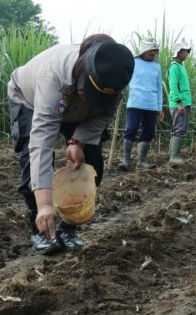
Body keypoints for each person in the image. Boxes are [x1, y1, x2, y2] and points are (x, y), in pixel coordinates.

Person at [8, 34, 134, 254]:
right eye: (91, 94)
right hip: (30, 99)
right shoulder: (54, 74)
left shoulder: (116, 79)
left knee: (91, 164)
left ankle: (68, 227)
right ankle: (41, 228)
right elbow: (42, 143)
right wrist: (46, 204)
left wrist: (78, 140)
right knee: (32, 165)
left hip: (81, 113)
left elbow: (103, 116)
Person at [120, 35, 165, 170]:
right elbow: (124, 80)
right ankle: (126, 160)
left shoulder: (156, 67)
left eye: (155, 50)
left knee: (148, 132)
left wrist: (160, 107)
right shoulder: (132, 63)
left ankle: (142, 161)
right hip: (135, 103)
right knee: (131, 130)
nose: (153, 52)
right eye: (151, 50)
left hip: (151, 105)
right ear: (144, 50)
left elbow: (159, 88)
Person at [167, 40, 192, 164]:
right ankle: (174, 157)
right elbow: (173, 86)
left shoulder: (181, 67)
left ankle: (172, 155)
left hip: (184, 103)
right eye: (185, 51)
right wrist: (179, 103)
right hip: (179, 104)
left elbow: (184, 87)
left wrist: (188, 105)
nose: (187, 53)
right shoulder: (174, 67)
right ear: (179, 52)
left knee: (179, 128)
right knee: (179, 129)